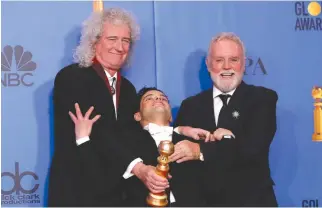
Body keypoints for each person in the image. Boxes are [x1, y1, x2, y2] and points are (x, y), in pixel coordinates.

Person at [47, 8, 166, 207]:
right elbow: (99, 132)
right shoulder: (72, 78)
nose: (119, 47)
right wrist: (138, 168)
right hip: (77, 194)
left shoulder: (127, 90)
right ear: (94, 41)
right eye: (112, 39)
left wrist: (181, 131)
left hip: (116, 196)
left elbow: (134, 134)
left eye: (125, 40)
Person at [170, 32, 278, 207]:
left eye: (233, 60)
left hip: (252, 201)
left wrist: (199, 150)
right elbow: (181, 161)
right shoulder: (190, 106)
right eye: (219, 60)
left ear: (244, 64)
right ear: (208, 64)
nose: (226, 67)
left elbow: (253, 147)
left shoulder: (262, 99)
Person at [69, 87, 209, 207]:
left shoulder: (192, 139)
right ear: (137, 115)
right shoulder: (122, 143)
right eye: (149, 98)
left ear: (171, 116)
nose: (158, 100)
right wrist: (83, 139)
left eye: (163, 98)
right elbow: (98, 180)